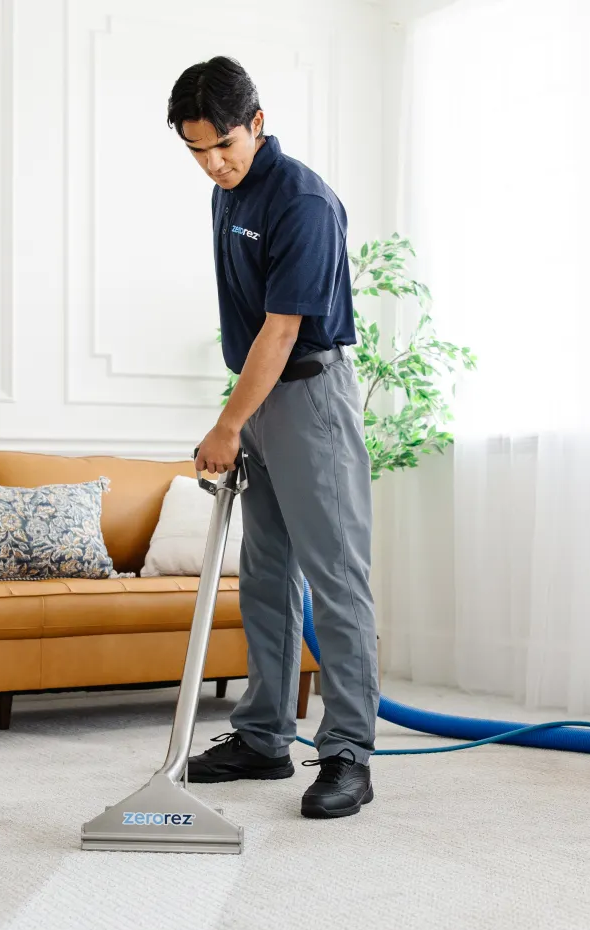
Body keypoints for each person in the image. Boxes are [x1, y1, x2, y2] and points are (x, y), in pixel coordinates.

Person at [167, 56, 378, 819]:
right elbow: (253, 327)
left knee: (336, 576)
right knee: (265, 572)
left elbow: (284, 330)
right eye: (196, 150)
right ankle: (263, 736)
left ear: (256, 123)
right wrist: (241, 413)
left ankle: (348, 751)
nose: (212, 163)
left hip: (310, 394)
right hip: (259, 396)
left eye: (223, 145)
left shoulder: (303, 202)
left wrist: (227, 423)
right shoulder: (227, 192)